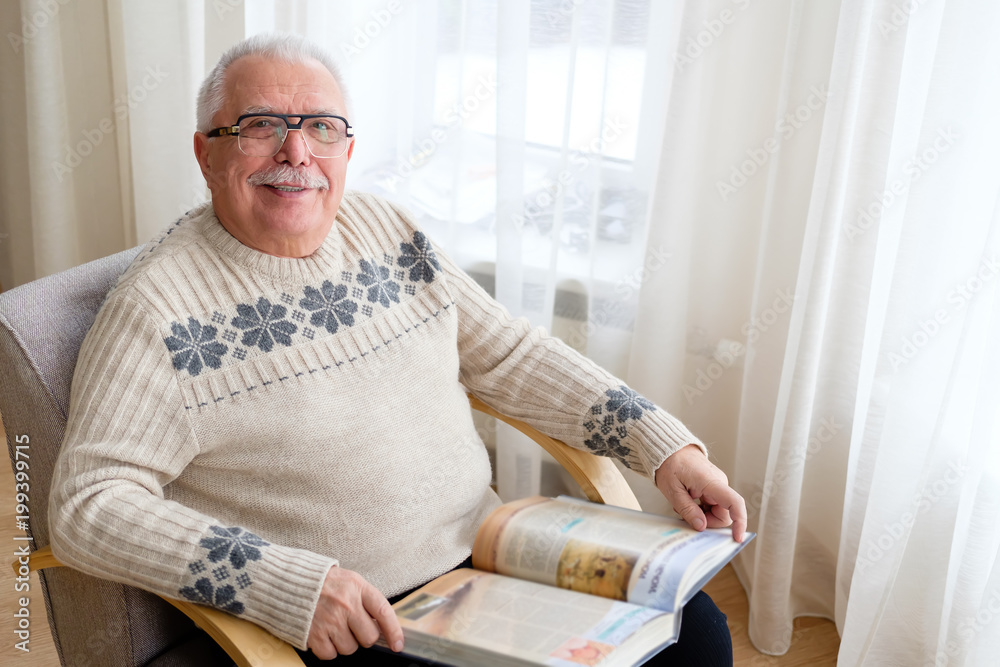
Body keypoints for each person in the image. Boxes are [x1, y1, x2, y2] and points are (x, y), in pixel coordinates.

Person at [49, 33, 746, 665]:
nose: (297, 154)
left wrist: (662, 445)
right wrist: (284, 583)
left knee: (695, 635)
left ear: (346, 150)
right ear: (207, 151)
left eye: (321, 127)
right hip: (361, 622)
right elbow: (88, 505)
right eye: (262, 126)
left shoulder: (388, 228)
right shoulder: (155, 311)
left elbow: (509, 353)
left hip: (492, 558)